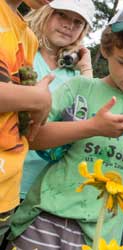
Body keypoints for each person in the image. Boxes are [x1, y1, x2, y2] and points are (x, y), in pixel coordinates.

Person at [7, 2, 123, 248]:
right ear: (106, 50)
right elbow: (33, 137)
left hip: (99, 231)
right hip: (46, 216)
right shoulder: (79, 87)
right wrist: (92, 127)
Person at [20, 0, 96, 201]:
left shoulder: (75, 75)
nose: (68, 25)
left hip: (41, 188)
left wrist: (86, 69)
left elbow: (87, 112)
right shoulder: (23, 49)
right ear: (45, 12)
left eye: (78, 22)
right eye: (61, 15)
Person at [0, 0, 55, 242]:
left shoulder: (28, 38)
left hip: (6, 193)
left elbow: (25, 112)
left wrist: (37, 107)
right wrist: (38, 98)